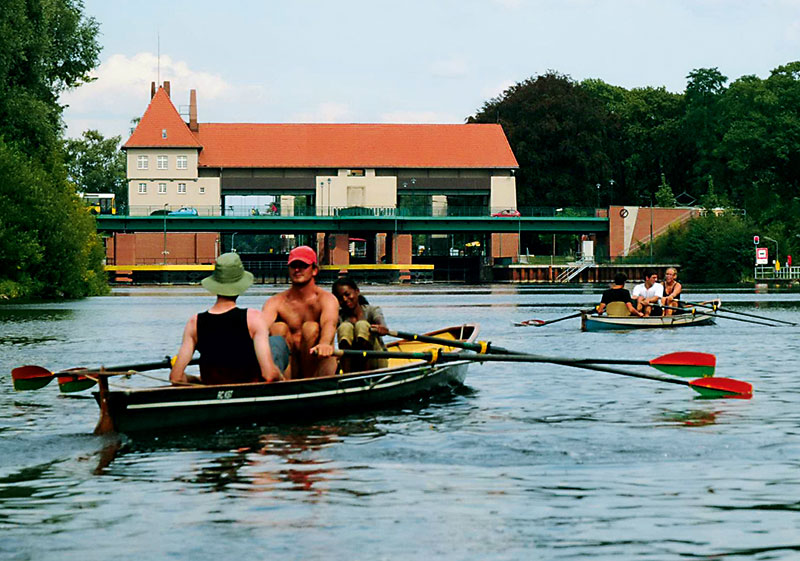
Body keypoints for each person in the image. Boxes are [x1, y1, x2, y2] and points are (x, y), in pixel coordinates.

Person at [170, 252, 288, 385]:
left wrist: (197, 381)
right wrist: (280, 376)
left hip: (212, 385)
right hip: (248, 388)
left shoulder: (194, 322)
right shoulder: (253, 319)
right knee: (278, 342)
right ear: (240, 286)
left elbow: (176, 378)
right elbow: (269, 375)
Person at [262, 246, 339, 379]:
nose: (297, 270)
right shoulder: (275, 302)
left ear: (314, 270)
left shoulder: (326, 299)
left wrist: (325, 343)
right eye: (293, 266)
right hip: (291, 368)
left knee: (310, 327)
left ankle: (310, 384)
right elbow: (260, 328)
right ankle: (283, 383)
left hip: (317, 366)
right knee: (278, 328)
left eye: (303, 266)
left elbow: (329, 324)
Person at [332, 278, 390, 372]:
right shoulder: (338, 316)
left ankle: (365, 375)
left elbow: (381, 324)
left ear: (357, 292)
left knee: (362, 325)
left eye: (347, 294)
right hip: (351, 365)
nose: (345, 299)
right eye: (340, 298)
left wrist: (382, 329)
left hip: (375, 362)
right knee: (344, 327)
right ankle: (348, 377)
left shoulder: (372, 310)